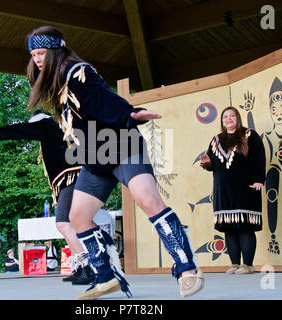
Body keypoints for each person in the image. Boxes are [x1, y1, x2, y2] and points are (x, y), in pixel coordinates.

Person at [25, 25, 203, 300]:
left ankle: (187, 268)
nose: (37, 59)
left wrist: (131, 113)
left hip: (119, 143)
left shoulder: (78, 72)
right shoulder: (57, 82)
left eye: (41, 52)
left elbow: (103, 98)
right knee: (77, 217)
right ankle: (106, 277)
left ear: (56, 50)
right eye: (33, 54)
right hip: (95, 155)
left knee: (148, 199)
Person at [0, 111, 94, 284]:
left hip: (70, 180)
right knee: (70, 224)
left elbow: (21, 130)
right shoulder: (61, 128)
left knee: (63, 223)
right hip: (78, 178)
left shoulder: (47, 124)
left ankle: (87, 266)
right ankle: (79, 267)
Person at [200, 106, 266, 274]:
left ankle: (248, 265)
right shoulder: (215, 140)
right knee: (228, 227)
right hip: (223, 190)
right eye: (225, 116)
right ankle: (235, 263)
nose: (228, 119)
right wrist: (206, 162)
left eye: (232, 116)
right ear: (222, 120)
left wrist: (259, 179)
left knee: (245, 226)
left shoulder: (249, 135)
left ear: (238, 118)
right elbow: (212, 165)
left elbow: (259, 158)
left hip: (245, 187)